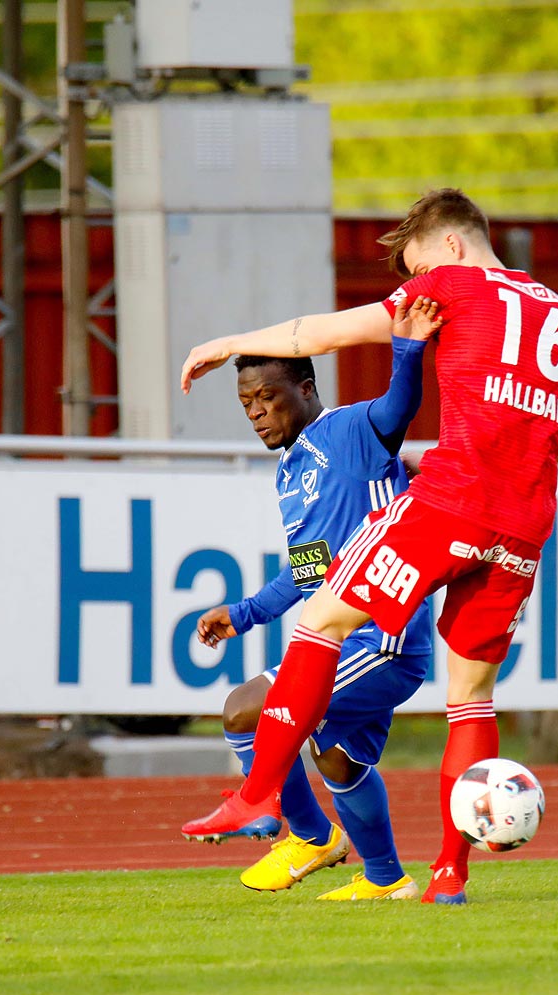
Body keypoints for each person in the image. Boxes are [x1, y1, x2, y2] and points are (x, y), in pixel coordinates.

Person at [179, 188, 558, 905]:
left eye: (416, 267)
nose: (412, 289)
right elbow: (508, 411)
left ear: (450, 247)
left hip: (451, 503)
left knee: (322, 624)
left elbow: (320, 336)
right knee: (470, 702)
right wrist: (244, 612)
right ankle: (446, 877)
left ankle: (264, 798)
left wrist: (224, 343)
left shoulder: (450, 287)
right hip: (522, 517)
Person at [180, 296, 443, 901]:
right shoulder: (289, 468)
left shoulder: (350, 429)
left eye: (266, 397)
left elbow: (399, 408)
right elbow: (312, 571)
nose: (255, 412)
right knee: (336, 759)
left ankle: (307, 834)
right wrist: (244, 613)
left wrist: (408, 347)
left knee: (245, 710)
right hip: (349, 635)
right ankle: (387, 880)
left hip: (383, 635)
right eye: (246, 403)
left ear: (304, 387)